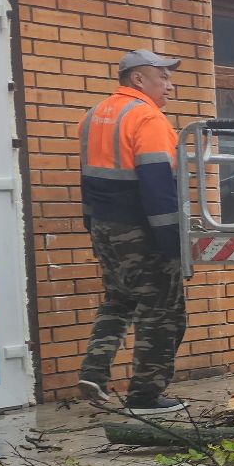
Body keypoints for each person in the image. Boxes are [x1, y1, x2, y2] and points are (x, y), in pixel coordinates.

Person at [76, 49, 187, 415]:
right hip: (143, 232)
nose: (170, 86)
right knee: (161, 312)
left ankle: (94, 370)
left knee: (118, 299)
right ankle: (146, 396)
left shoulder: (93, 117)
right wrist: (173, 243)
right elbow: (158, 187)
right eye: (164, 78)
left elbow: (88, 179)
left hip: (106, 229)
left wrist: (92, 224)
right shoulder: (148, 119)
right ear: (139, 79)